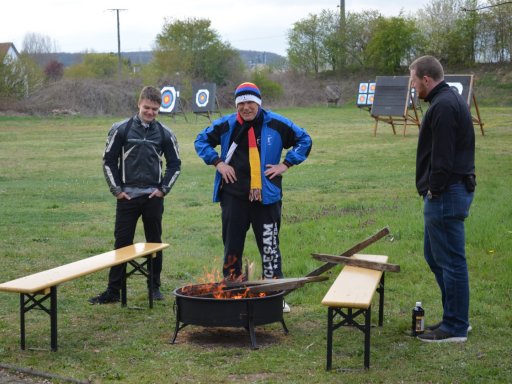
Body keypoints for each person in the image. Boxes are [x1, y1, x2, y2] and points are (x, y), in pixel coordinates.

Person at [194, 82, 312, 311]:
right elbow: (201, 140)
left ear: (258, 103)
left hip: (266, 198)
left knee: (269, 247)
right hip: (233, 197)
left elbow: (305, 139)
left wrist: (286, 164)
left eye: (250, 102)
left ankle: (276, 296)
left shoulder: (276, 123)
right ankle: (231, 293)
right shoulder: (227, 124)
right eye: (241, 103)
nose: (246, 107)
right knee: (232, 247)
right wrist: (218, 162)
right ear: (236, 105)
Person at [89, 86, 181, 304]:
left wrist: (162, 190)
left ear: (160, 109)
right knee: (122, 243)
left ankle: (154, 287)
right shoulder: (121, 129)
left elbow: (175, 164)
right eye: (147, 107)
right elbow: (108, 162)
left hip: (153, 199)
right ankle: (113, 291)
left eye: (155, 109)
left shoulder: (166, 134)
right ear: (139, 104)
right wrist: (117, 191)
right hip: (127, 198)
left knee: (154, 243)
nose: (150, 112)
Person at [409, 56, 476, 342]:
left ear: (426, 79)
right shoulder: (444, 101)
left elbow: (444, 157)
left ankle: (456, 327)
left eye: (413, 80)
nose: (413, 87)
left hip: (446, 193)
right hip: (445, 192)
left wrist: (434, 188)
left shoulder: (445, 105)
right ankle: (455, 317)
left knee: (450, 261)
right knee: (435, 256)